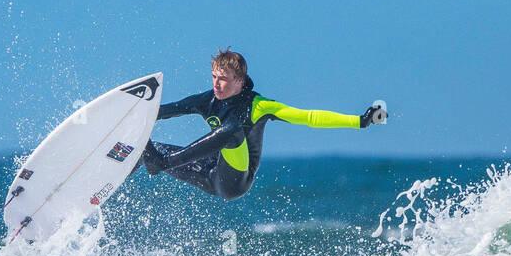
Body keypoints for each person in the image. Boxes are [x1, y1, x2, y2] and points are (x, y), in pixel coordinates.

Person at [134, 47, 385, 200]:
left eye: (223, 79)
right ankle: (121, 163)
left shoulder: (259, 105)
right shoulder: (207, 99)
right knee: (147, 147)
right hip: (209, 174)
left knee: (231, 132)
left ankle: (163, 163)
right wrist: (138, 112)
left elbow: (308, 117)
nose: (216, 84)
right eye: (214, 77)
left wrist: (359, 121)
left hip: (235, 182)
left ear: (240, 80)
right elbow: (170, 109)